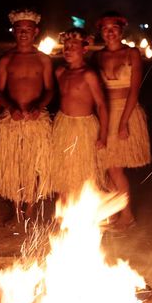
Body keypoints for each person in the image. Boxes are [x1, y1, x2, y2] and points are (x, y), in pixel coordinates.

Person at [0, 9, 54, 222]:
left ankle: (29, 209)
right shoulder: (6, 60)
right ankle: (16, 208)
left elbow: (49, 89)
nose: (23, 33)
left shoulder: (43, 60)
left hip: (36, 120)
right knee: (15, 165)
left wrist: (39, 107)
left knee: (33, 165)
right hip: (13, 120)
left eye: (28, 29)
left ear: (35, 31)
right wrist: (11, 108)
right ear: (14, 31)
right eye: (19, 29)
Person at [94, 11, 151, 230]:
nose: (110, 32)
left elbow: (134, 91)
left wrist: (124, 122)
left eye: (114, 28)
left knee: (115, 169)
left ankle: (127, 216)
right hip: (105, 114)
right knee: (108, 167)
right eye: (105, 28)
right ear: (101, 32)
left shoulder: (132, 54)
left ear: (121, 31)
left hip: (125, 112)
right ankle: (116, 214)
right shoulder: (98, 56)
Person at [49, 29, 108, 200]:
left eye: (73, 47)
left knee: (83, 168)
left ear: (84, 49)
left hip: (83, 127)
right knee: (62, 166)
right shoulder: (60, 72)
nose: (68, 50)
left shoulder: (88, 75)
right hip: (63, 125)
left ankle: (83, 206)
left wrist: (103, 135)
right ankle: (64, 207)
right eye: (66, 46)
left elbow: (101, 104)